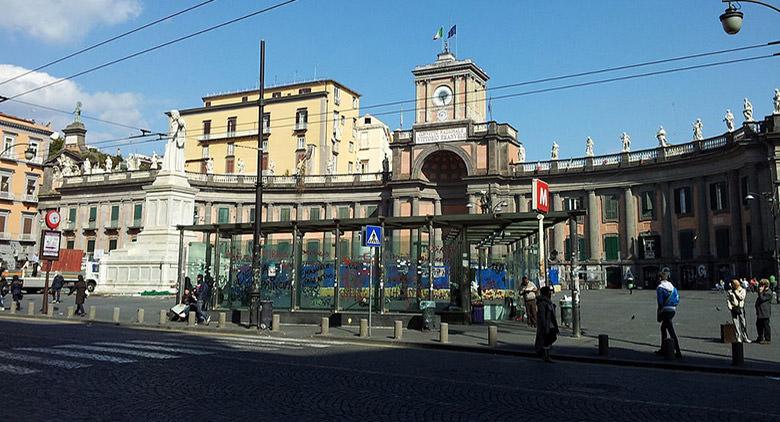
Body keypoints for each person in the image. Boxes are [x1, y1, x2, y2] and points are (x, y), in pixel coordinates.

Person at [655, 272, 682, 358]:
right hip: (673, 310)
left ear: (660, 278)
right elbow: (677, 299)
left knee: (671, 331)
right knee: (663, 328)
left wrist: (659, 311)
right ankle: (663, 349)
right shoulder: (673, 287)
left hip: (665, 310)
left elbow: (660, 302)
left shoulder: (660, 288)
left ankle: (678, 352)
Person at [535, 286, 559, 363]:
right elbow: (542, 315)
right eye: (549, 292)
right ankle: (545, 355)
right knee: (548, 339)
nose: (550, 293)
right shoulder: (542, 302)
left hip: (551, 323)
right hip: (547, 324)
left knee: (552, 337)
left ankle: (545, 354)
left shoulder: (548, 301)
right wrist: (544, 325)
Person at [755, 279, 772, 344]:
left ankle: (767, 339)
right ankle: (760, 337)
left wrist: (760, 292)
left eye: (761, 285)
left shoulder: (769, 292)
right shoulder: (763, 291)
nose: (760, 286)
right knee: (758, 325)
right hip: (760, 312)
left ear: (765, 285)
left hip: (765, 312)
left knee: (766, 326)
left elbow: (762, 298)